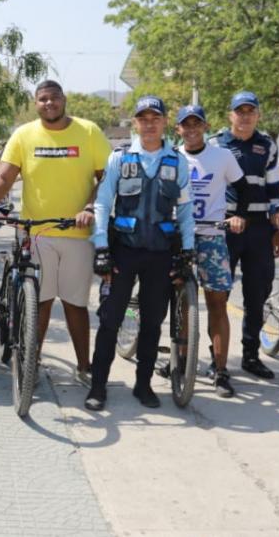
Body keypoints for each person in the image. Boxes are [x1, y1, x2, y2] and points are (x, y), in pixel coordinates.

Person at [0, 79, 110, 384]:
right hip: (36, 234)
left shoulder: (88, 131)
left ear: (64, 99)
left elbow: (106, 179)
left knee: (75, 304)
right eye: (43, 99)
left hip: (77, 233)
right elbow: (3, 178)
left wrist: (88, 207)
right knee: (38, 303)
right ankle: (31, 364)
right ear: (36, 103)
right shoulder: (24, 134)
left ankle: (85, 366)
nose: (49, 104)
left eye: (54, 98)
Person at [87, 96, 195, 411]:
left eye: (155, 118)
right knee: (110, 320)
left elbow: (185, 211)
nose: (149, 123)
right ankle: (98, 386)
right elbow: (103, 203)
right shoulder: (119, 159)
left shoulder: (178, 162)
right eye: (143, 118)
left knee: (152, 323)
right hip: (123, 253)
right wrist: (101, 248)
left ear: (164, 122)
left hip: (160, 255)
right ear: (135, 122)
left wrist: (187, 251)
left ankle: (143, 385)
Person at [174, 105, 249, 398]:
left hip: (213, 235)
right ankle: (179, 360)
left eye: (197, 124)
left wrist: (238, 215)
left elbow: (244, 189)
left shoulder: (222, 156)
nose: (191, 129)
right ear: (178, 129)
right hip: (179, 238)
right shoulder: (172, 156)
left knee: (217, 303)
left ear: (206, 127)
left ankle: (220, 370)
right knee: (180, 301)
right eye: (185, 125)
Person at [212, 91, 279, 380]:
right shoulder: (216, 144)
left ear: (258, 114)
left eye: (250, 111)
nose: (244, 116)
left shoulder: (266, 145)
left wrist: (276, 225)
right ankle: (216, 359)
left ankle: (251, 354)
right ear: (230, 115)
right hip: (224, 226)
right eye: (239, 111)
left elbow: (273, 188)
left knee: (257, 294)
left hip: (258, 228)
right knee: (219, 294)